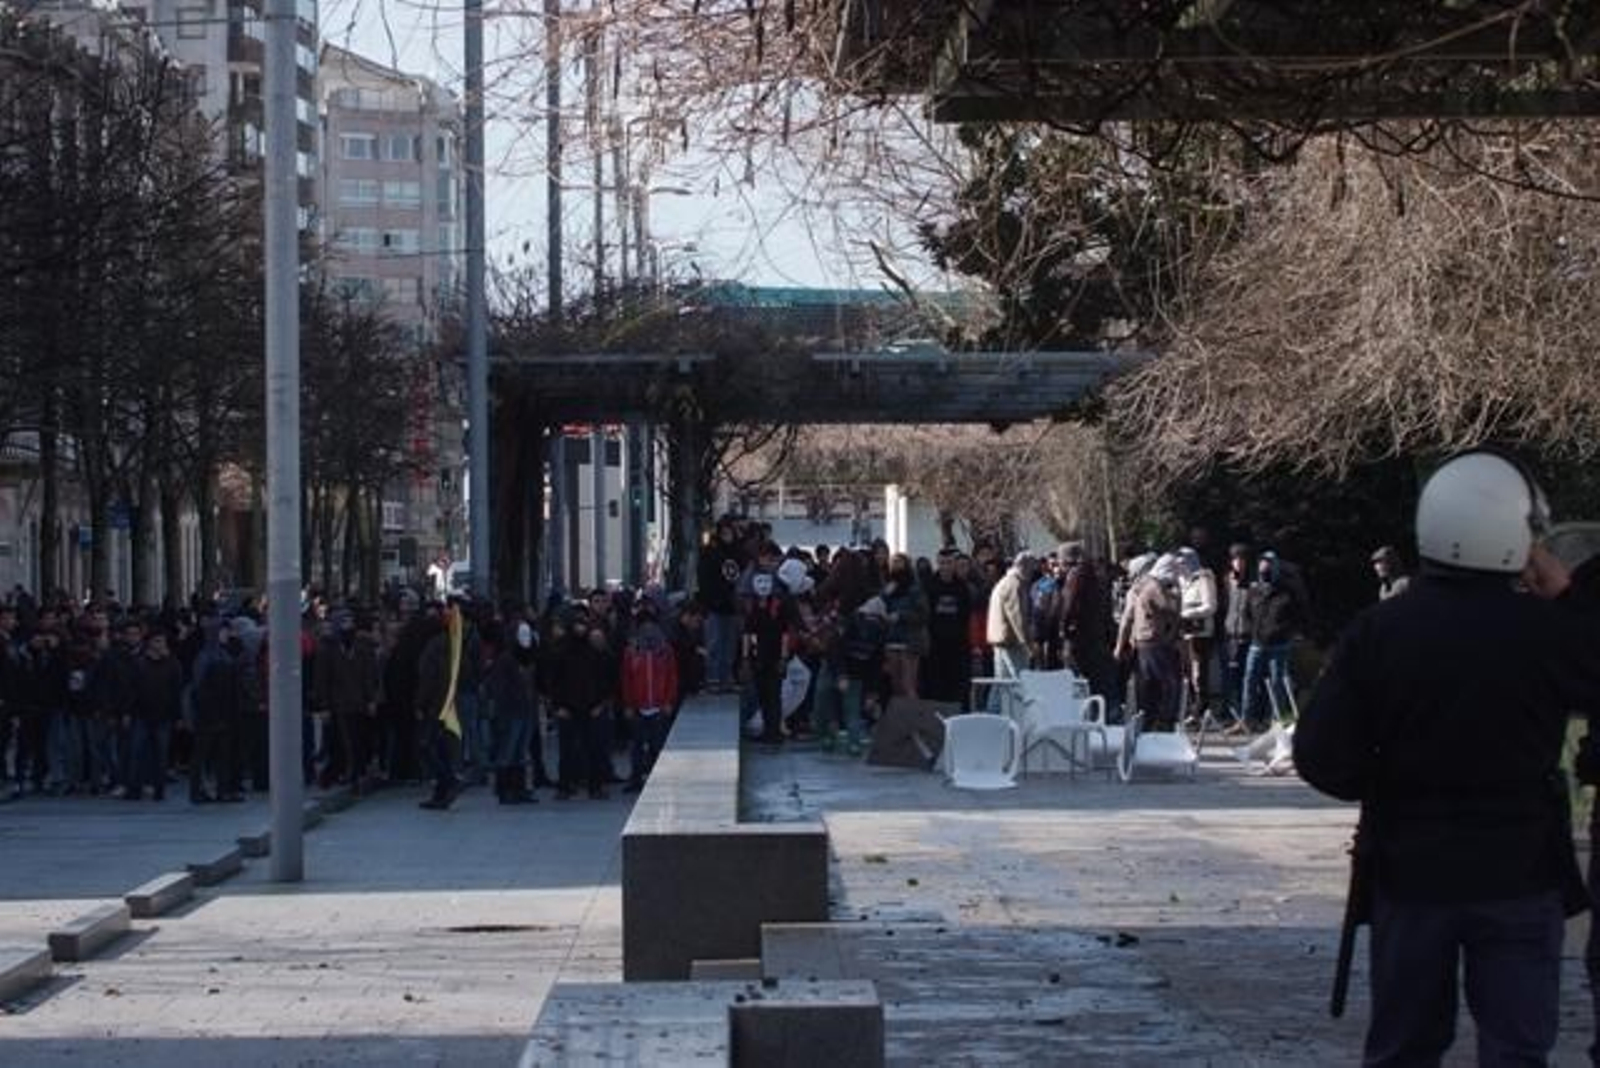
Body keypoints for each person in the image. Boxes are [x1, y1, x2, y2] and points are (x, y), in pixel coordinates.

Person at [1295, 450, 1600, 1066]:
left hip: (1411, 869)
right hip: (1520, 868)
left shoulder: (1380, 630)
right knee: (1517, 1048)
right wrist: (1569, 601)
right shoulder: (1545, 632)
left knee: (1404, 1047)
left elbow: (1320, 755)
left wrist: (1384, 780)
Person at [984, 552, 1035, 711]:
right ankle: (1019, 717)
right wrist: (1027, 644)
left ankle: (991, 716)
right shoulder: (1015, 584)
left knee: (1001, 683)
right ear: (1024, 567)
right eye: (1031, 567)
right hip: (1011, 641)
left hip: (1000, 639)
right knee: (1019, 680)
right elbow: (1017, 616)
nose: (1033, 571)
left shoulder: (1004, 582)